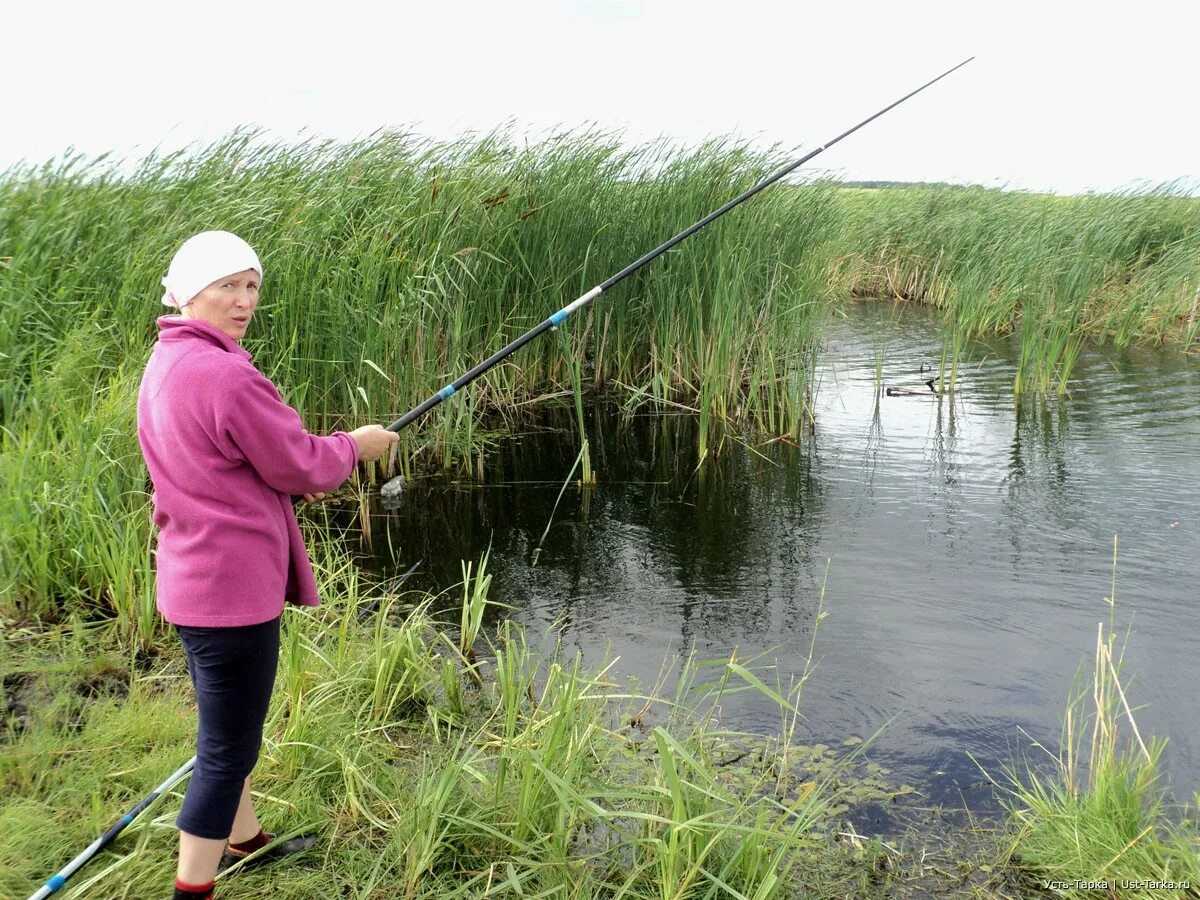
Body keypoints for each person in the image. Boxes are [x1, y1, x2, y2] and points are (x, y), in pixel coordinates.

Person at [136, 231, 399, 900]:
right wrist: (355, 446)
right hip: (230, 594)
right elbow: (299, 461)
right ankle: (192, 887)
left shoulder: (168, 361)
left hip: (190, 580)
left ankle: (246, 843)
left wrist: (286, 477)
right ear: (188, 289)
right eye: (227, 285)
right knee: (225, 755)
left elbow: (228, 461)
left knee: (229, 734)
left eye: (251, 285)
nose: (243, 299)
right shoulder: (226, 373)